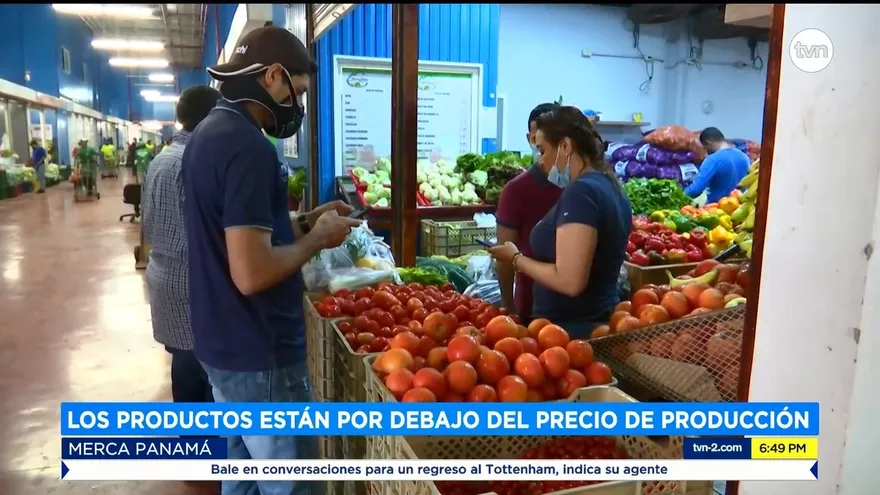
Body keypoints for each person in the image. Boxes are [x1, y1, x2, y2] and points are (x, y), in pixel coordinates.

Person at [181, 26, 360, 494]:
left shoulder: (208, 134)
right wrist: (317, 241)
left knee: (242, 481)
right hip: (260, 354)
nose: (297, 108)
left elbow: (240, 238)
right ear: (274, 77)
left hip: (221, 347)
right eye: (297, 93)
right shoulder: (248, 146)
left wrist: (306, 222)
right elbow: (252, 271)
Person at [488, 106, 633, 338]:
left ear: (565, 146)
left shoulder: (581, 192)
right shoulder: (610, 185)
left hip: (570, 332)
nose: (541, 162)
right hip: (595, 319)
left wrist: (515, 259)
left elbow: (570, 281)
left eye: (543, 151)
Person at [142, 85, 222, 408]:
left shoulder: (161, 159)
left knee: (184, 365)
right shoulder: (195, 162)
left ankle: (191, 442)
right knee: (202, 378)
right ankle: (203, 449)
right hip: (191, 285)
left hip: (164, 277)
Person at [494, 102, 563, 322]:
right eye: (538, 139)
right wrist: (508, 307)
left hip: (577, 306)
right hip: (532, 309)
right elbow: (504, 256)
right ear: (531, 139)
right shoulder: (515, 191)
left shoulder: (578, 184)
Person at [685, 127, 751, 203]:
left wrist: (681, 194)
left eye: (705, 148)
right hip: (739, 208)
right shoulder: (744, 157)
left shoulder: (713, 160)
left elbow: (695, 190)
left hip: (717, 209)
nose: (706, 151)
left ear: (708, 142)